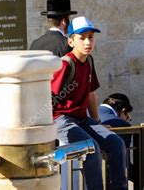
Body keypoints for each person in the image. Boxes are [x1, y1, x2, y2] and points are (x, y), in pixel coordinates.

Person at [51, 16, 128, 190]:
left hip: (82, 120)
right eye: (82, 37)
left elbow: (92, 95)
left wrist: (97, 123)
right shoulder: (65, 64)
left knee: (117, 144)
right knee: (91, 148)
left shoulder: (89, 62)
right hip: (61, 119)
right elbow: (48, 98)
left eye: (91, 37)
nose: (87, 42)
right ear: (71, 41)